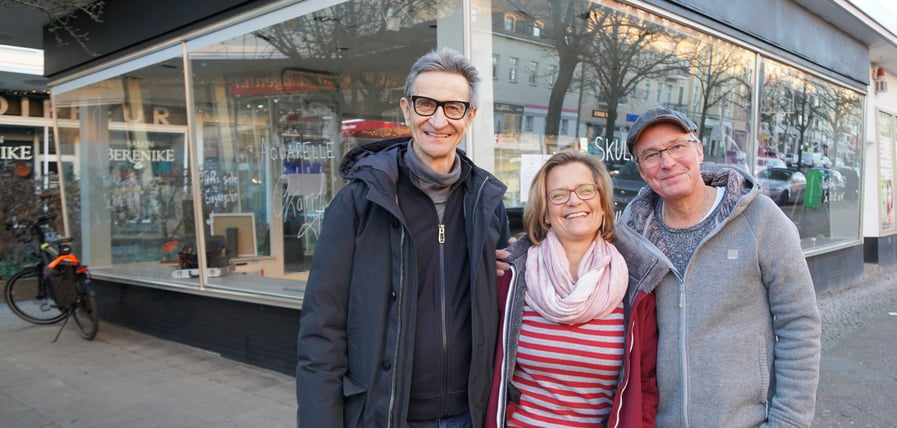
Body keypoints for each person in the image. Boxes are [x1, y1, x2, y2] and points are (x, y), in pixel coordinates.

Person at [296, 47, 510, 428]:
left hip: (471, 416)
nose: (438, 120)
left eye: (453, 107)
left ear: (470, 116)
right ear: (406, 109)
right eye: (426, 104)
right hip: (388, 415)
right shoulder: (360, 203)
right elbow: (321, 330)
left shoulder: (486, 203)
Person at [619, 106, 821, 427]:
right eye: (652, 154)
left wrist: (789, 422)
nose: (667, 162)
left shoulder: (761, 219)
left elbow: (799, 324)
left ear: (698, 150)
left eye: (676, 146)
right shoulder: (633, 233)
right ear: (642, 170)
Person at [487, 150, 667, 427]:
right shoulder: (510, 276)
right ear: (545, 212)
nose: (574, 201)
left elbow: (645, 384)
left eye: (585, 190)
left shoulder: (634, 282)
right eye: (559, 194)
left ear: (603, 203)